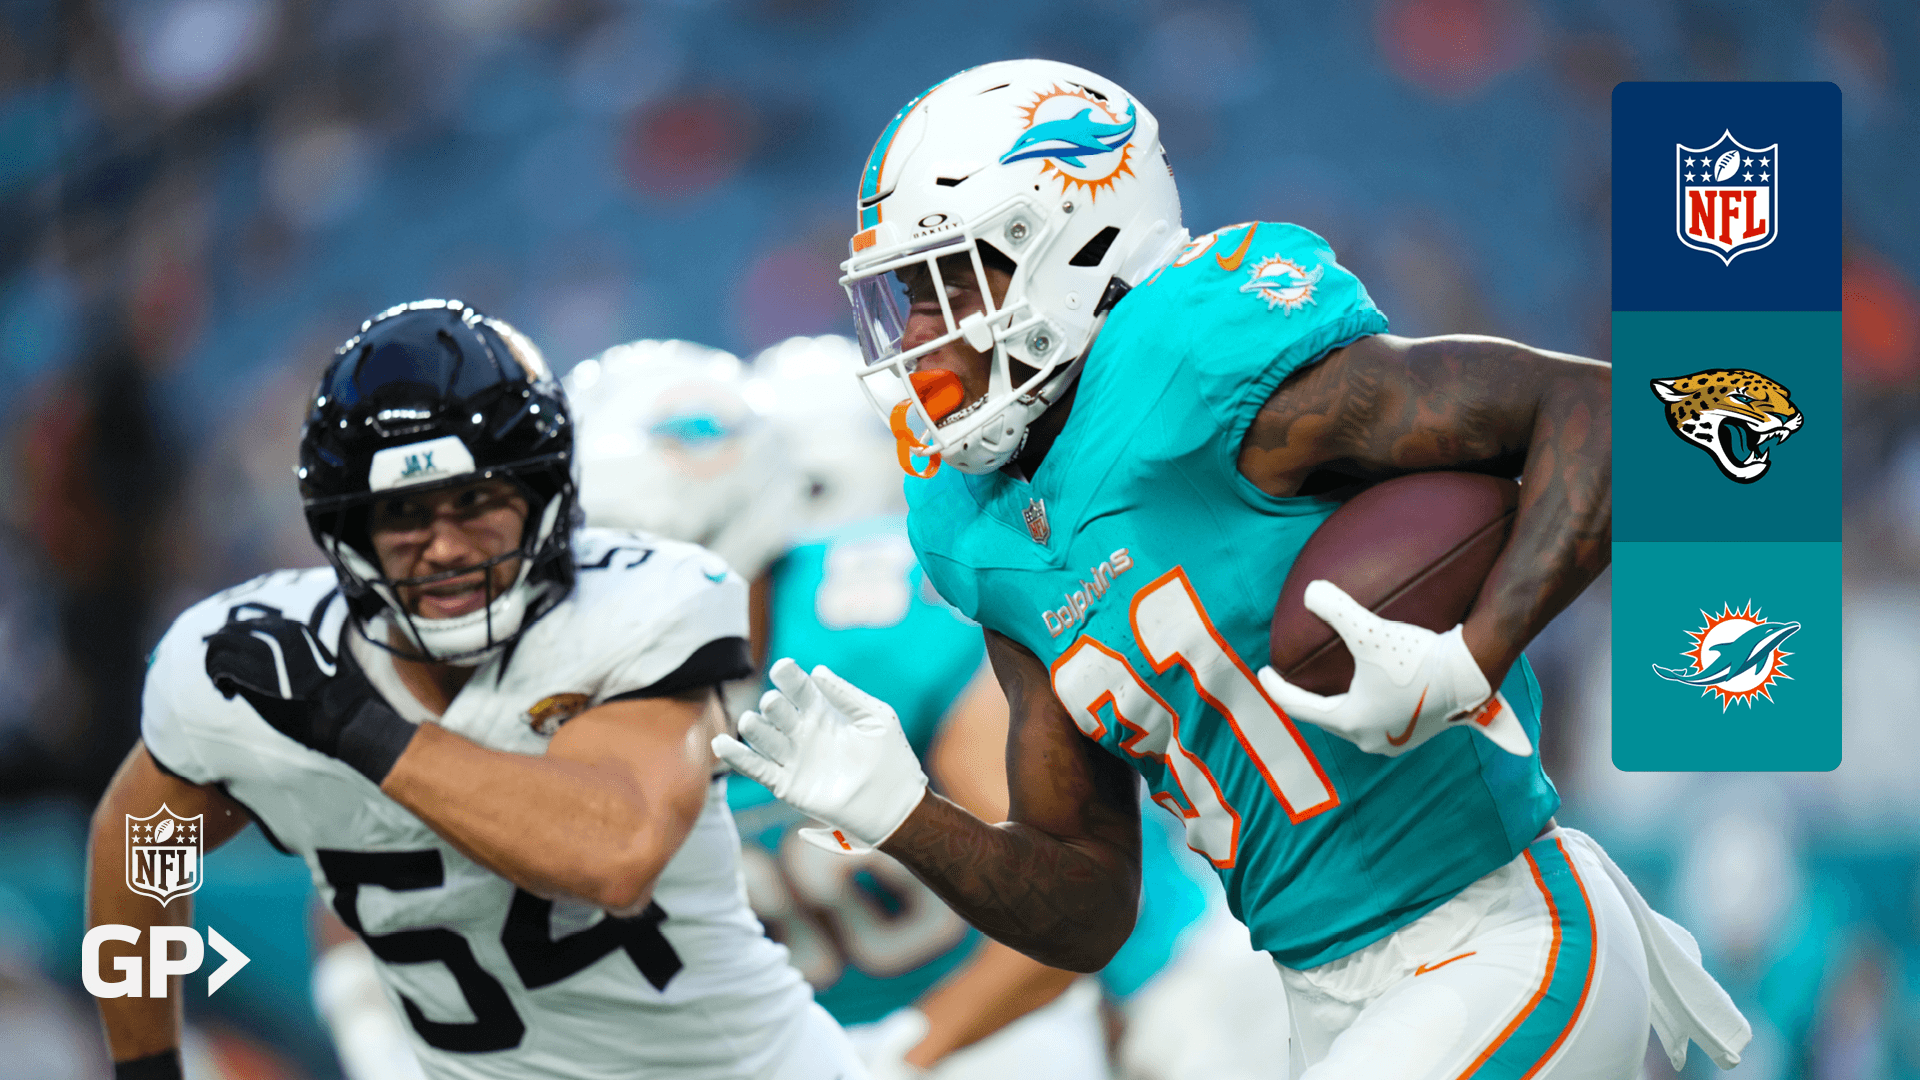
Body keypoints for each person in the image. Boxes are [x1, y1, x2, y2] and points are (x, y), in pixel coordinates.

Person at [714, 59, 1754, 1078]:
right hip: (1316, 997)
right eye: (907, 296)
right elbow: (1089, 902)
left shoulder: (1199, 361)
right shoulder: (982, 528)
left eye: (950, 284)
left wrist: (1473, 655)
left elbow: (1597, 412)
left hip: (1500, 934)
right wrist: (907, 816)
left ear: (1071, 243)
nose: (921, 336)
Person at [85, 300, 864, 1080]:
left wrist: (353, 724)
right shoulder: (269, 656)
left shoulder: (648, 604)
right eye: (404, 514)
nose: (446, 548)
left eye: (476, 501)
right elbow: (139, 844)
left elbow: (614, 852)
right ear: (348, 529)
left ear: (543, 495)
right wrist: (148, 1068)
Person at [564, 335, 1108, 1080]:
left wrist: (904, 1054)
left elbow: (1056, 904)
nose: (613, 595)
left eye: (635, 559)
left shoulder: (881, 617)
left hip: (983, 1028)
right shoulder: (570, 686)